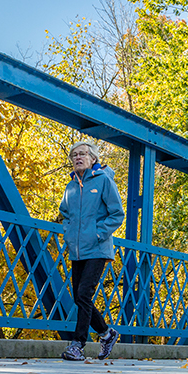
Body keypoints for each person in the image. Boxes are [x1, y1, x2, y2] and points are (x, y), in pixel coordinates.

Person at [59, 141, 125, 361]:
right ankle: (107, 334)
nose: (78, 158)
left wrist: (98, 233)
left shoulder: (104, 181)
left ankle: (78, 344)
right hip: (77, 250)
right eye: (74, 155)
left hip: (97, 248)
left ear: (93, 158)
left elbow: (117, 214)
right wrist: (68, 234)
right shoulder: (70, 187)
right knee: (80, 298)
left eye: (83, 154)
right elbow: (64, 214)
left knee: (83, 294)